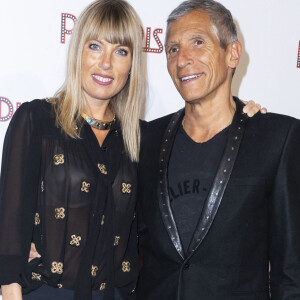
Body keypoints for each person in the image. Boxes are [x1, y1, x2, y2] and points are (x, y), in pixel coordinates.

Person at [137, 0, 300, 299]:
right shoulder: (146, 138)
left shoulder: (277, 138)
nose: (182, 59)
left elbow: (291, 269)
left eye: (198, 43)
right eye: (172, 49)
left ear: (232, 53)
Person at [0, 0, 147, 299]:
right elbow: (11, 223)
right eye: (95, 46)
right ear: (77, 50)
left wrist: (246, 116)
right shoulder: (37, 120)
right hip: (48, 292)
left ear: (132, 64)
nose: (106, 62)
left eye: (121, 51)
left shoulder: (141, 137)